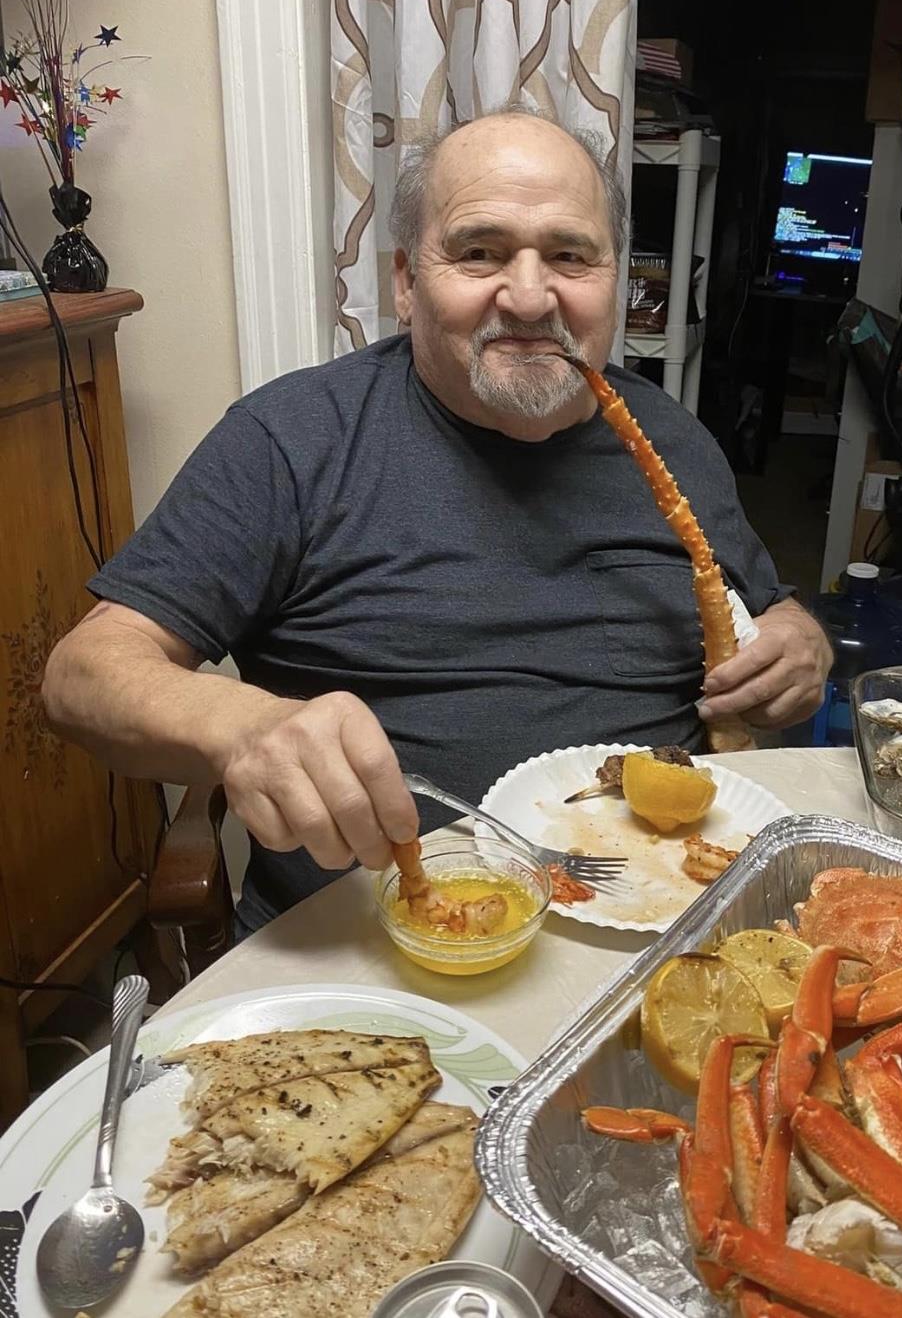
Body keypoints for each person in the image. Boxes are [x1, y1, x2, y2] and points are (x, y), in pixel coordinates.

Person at [43, 108, 833, 935]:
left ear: (612, 279)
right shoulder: (291, 439)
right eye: (479, 252)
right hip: (379, 939)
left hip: (657, 912)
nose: (530, 297)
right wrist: (246, 726)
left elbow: (763, 609)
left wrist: (799, 639)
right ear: (405, 280)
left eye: (570, 255)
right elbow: (81, 675)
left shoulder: (673, 439)